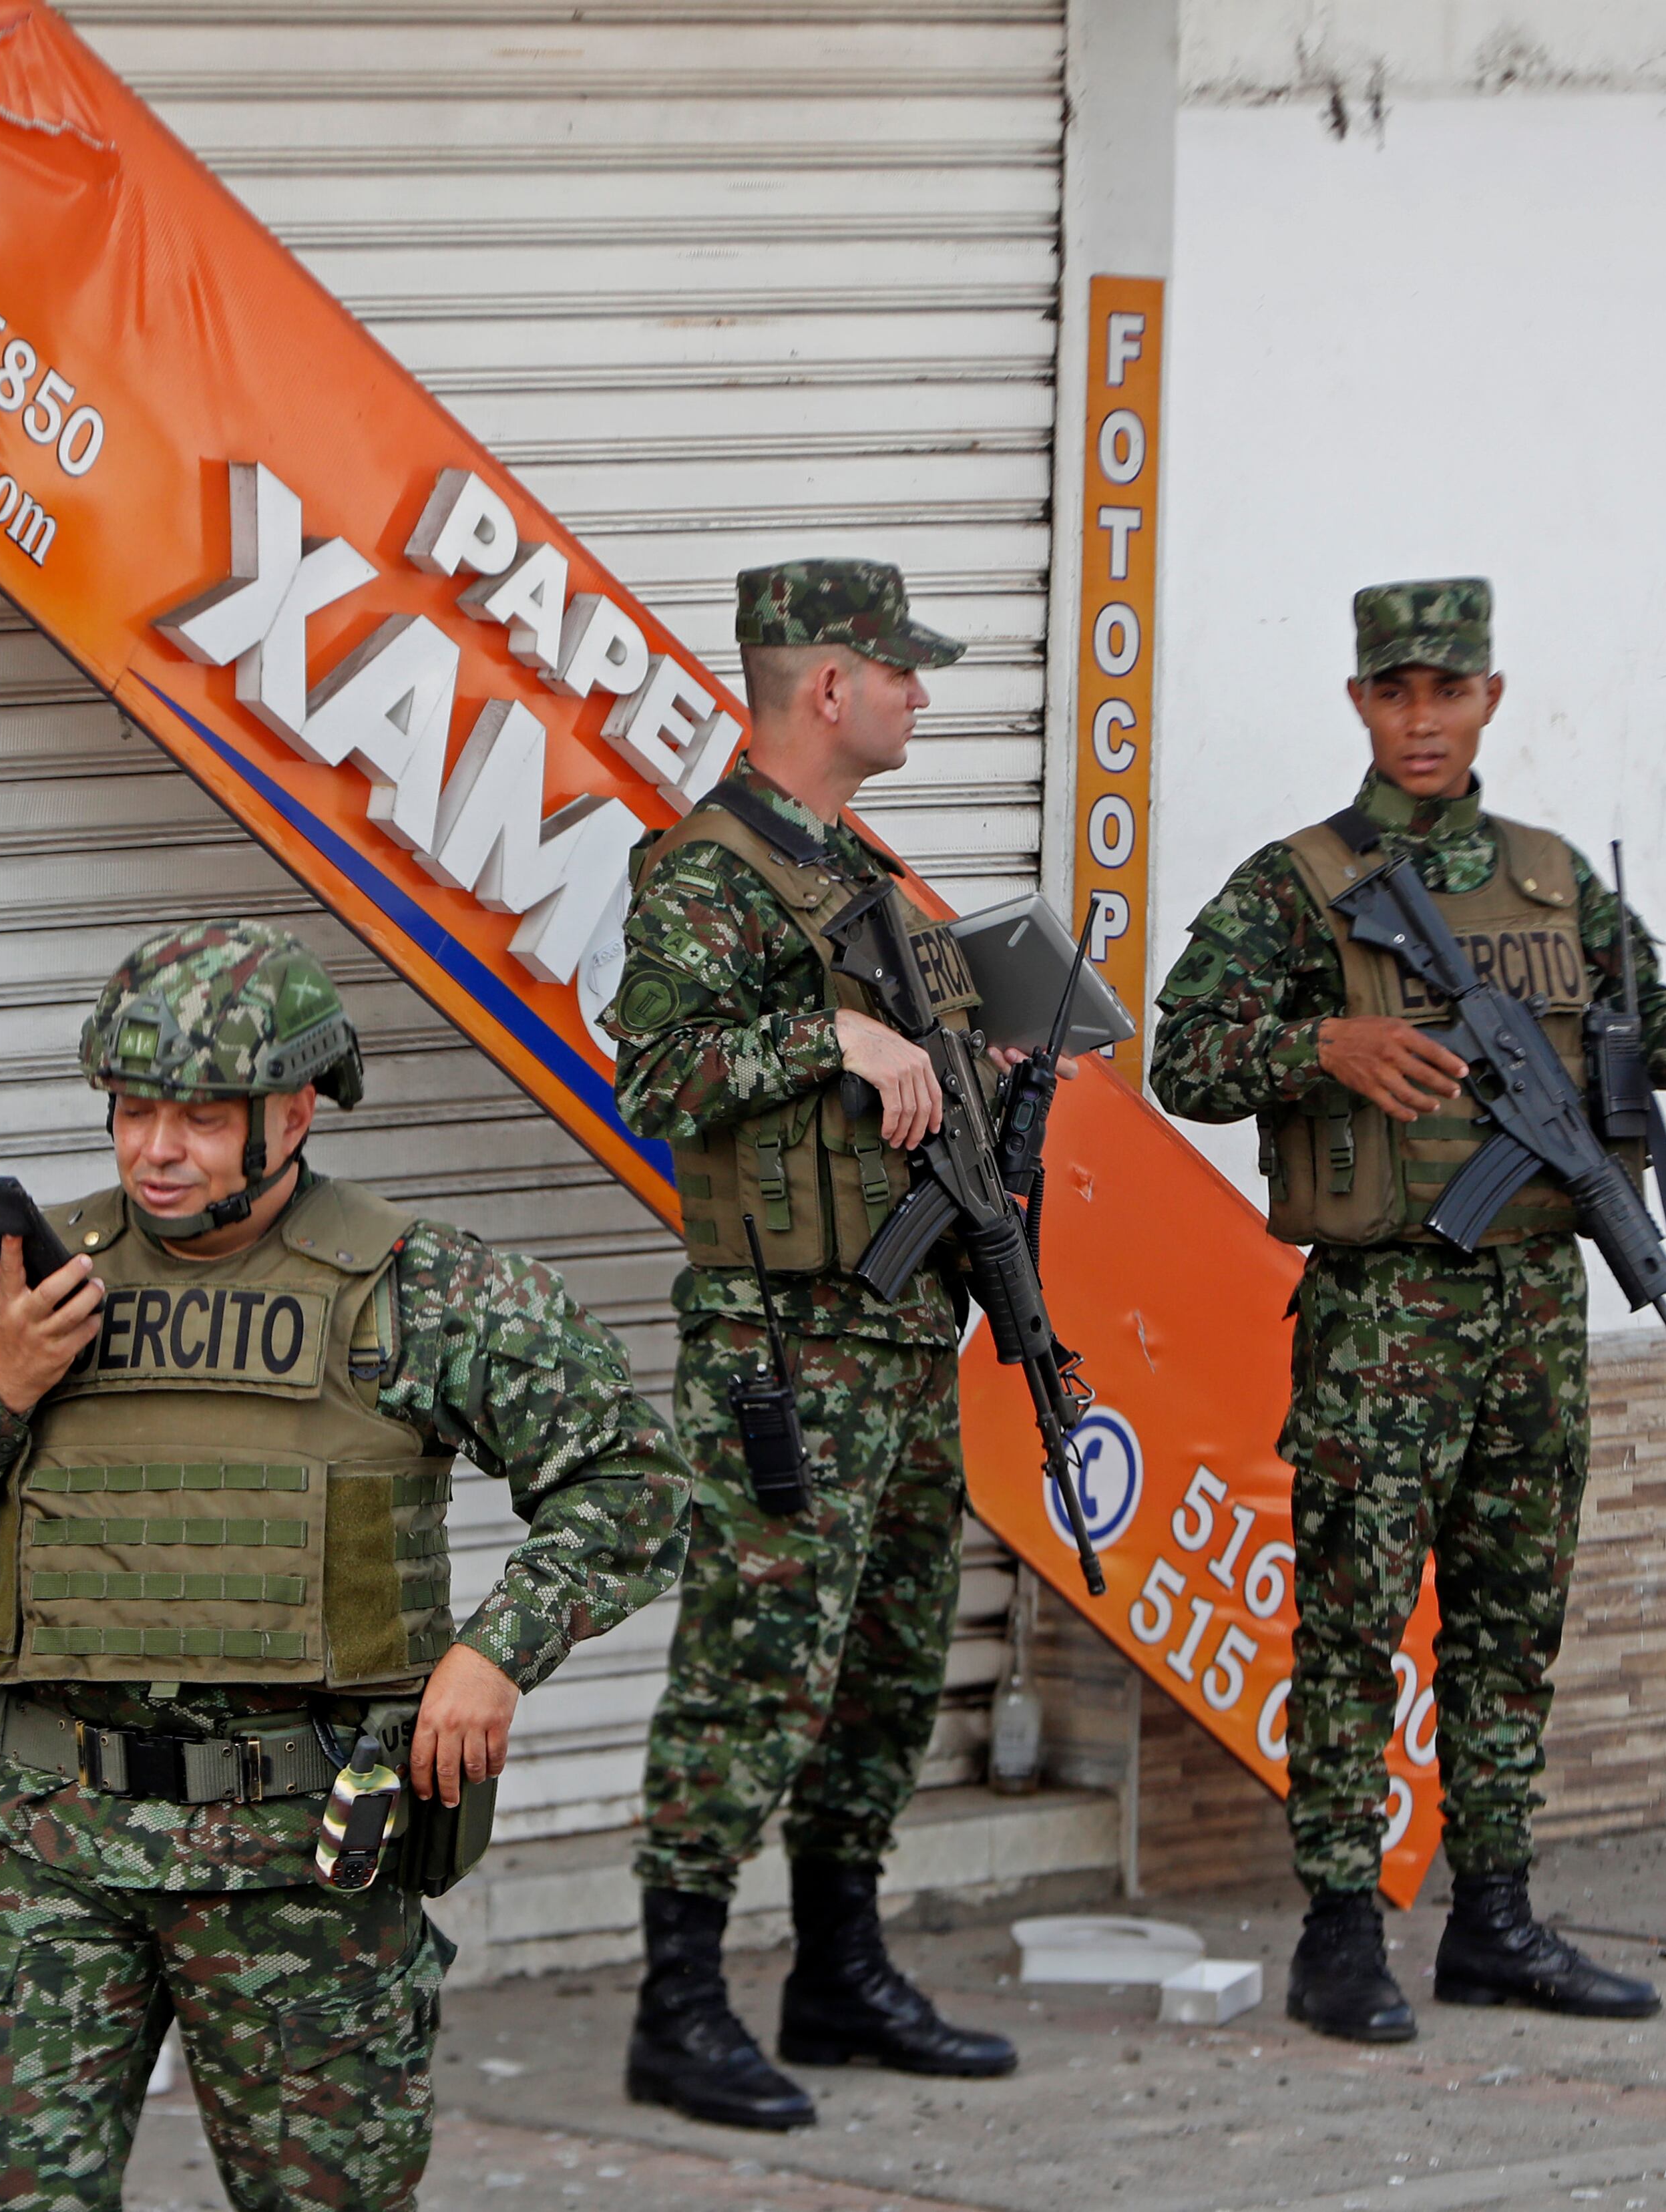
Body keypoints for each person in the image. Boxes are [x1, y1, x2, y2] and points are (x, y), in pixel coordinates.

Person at [0, 920, 687, 2210]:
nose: (155, 1151)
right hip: (58, 1851)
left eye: (198, 1115)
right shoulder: (38, 1283)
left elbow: (634, 1479)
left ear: (294, 1112)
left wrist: (496, 1653)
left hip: (305, 1866)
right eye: (131, 1110)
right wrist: (1, 1390)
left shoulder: (422, 1289)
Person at [1151, 581, 1666, 2044]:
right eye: (1394, 693)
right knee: (1354, 1618)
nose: (1420, 720)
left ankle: (1494, 1913)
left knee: (1509, 1619)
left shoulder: (1557, 881)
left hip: (1532, 1313)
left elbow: (1645, 1015)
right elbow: (1182, 1052)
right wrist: (1327, 1044)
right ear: (1361, 704)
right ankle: (1338, 1925)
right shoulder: (1299, 884)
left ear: (1492, 696)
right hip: (1383, 1314)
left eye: (1447, 691)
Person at [610, 559, 1025, 2132]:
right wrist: (827, 1034)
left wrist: (966, 1052)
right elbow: (654, 1066)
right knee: (750, 1668)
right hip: (781, 1345)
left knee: (888, 1661)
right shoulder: (706, 871)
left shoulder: (860, 876)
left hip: (900, 1336)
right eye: (902, 669)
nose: (922, 693)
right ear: (828, 688)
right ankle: (679, 2003)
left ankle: (838, 1971)